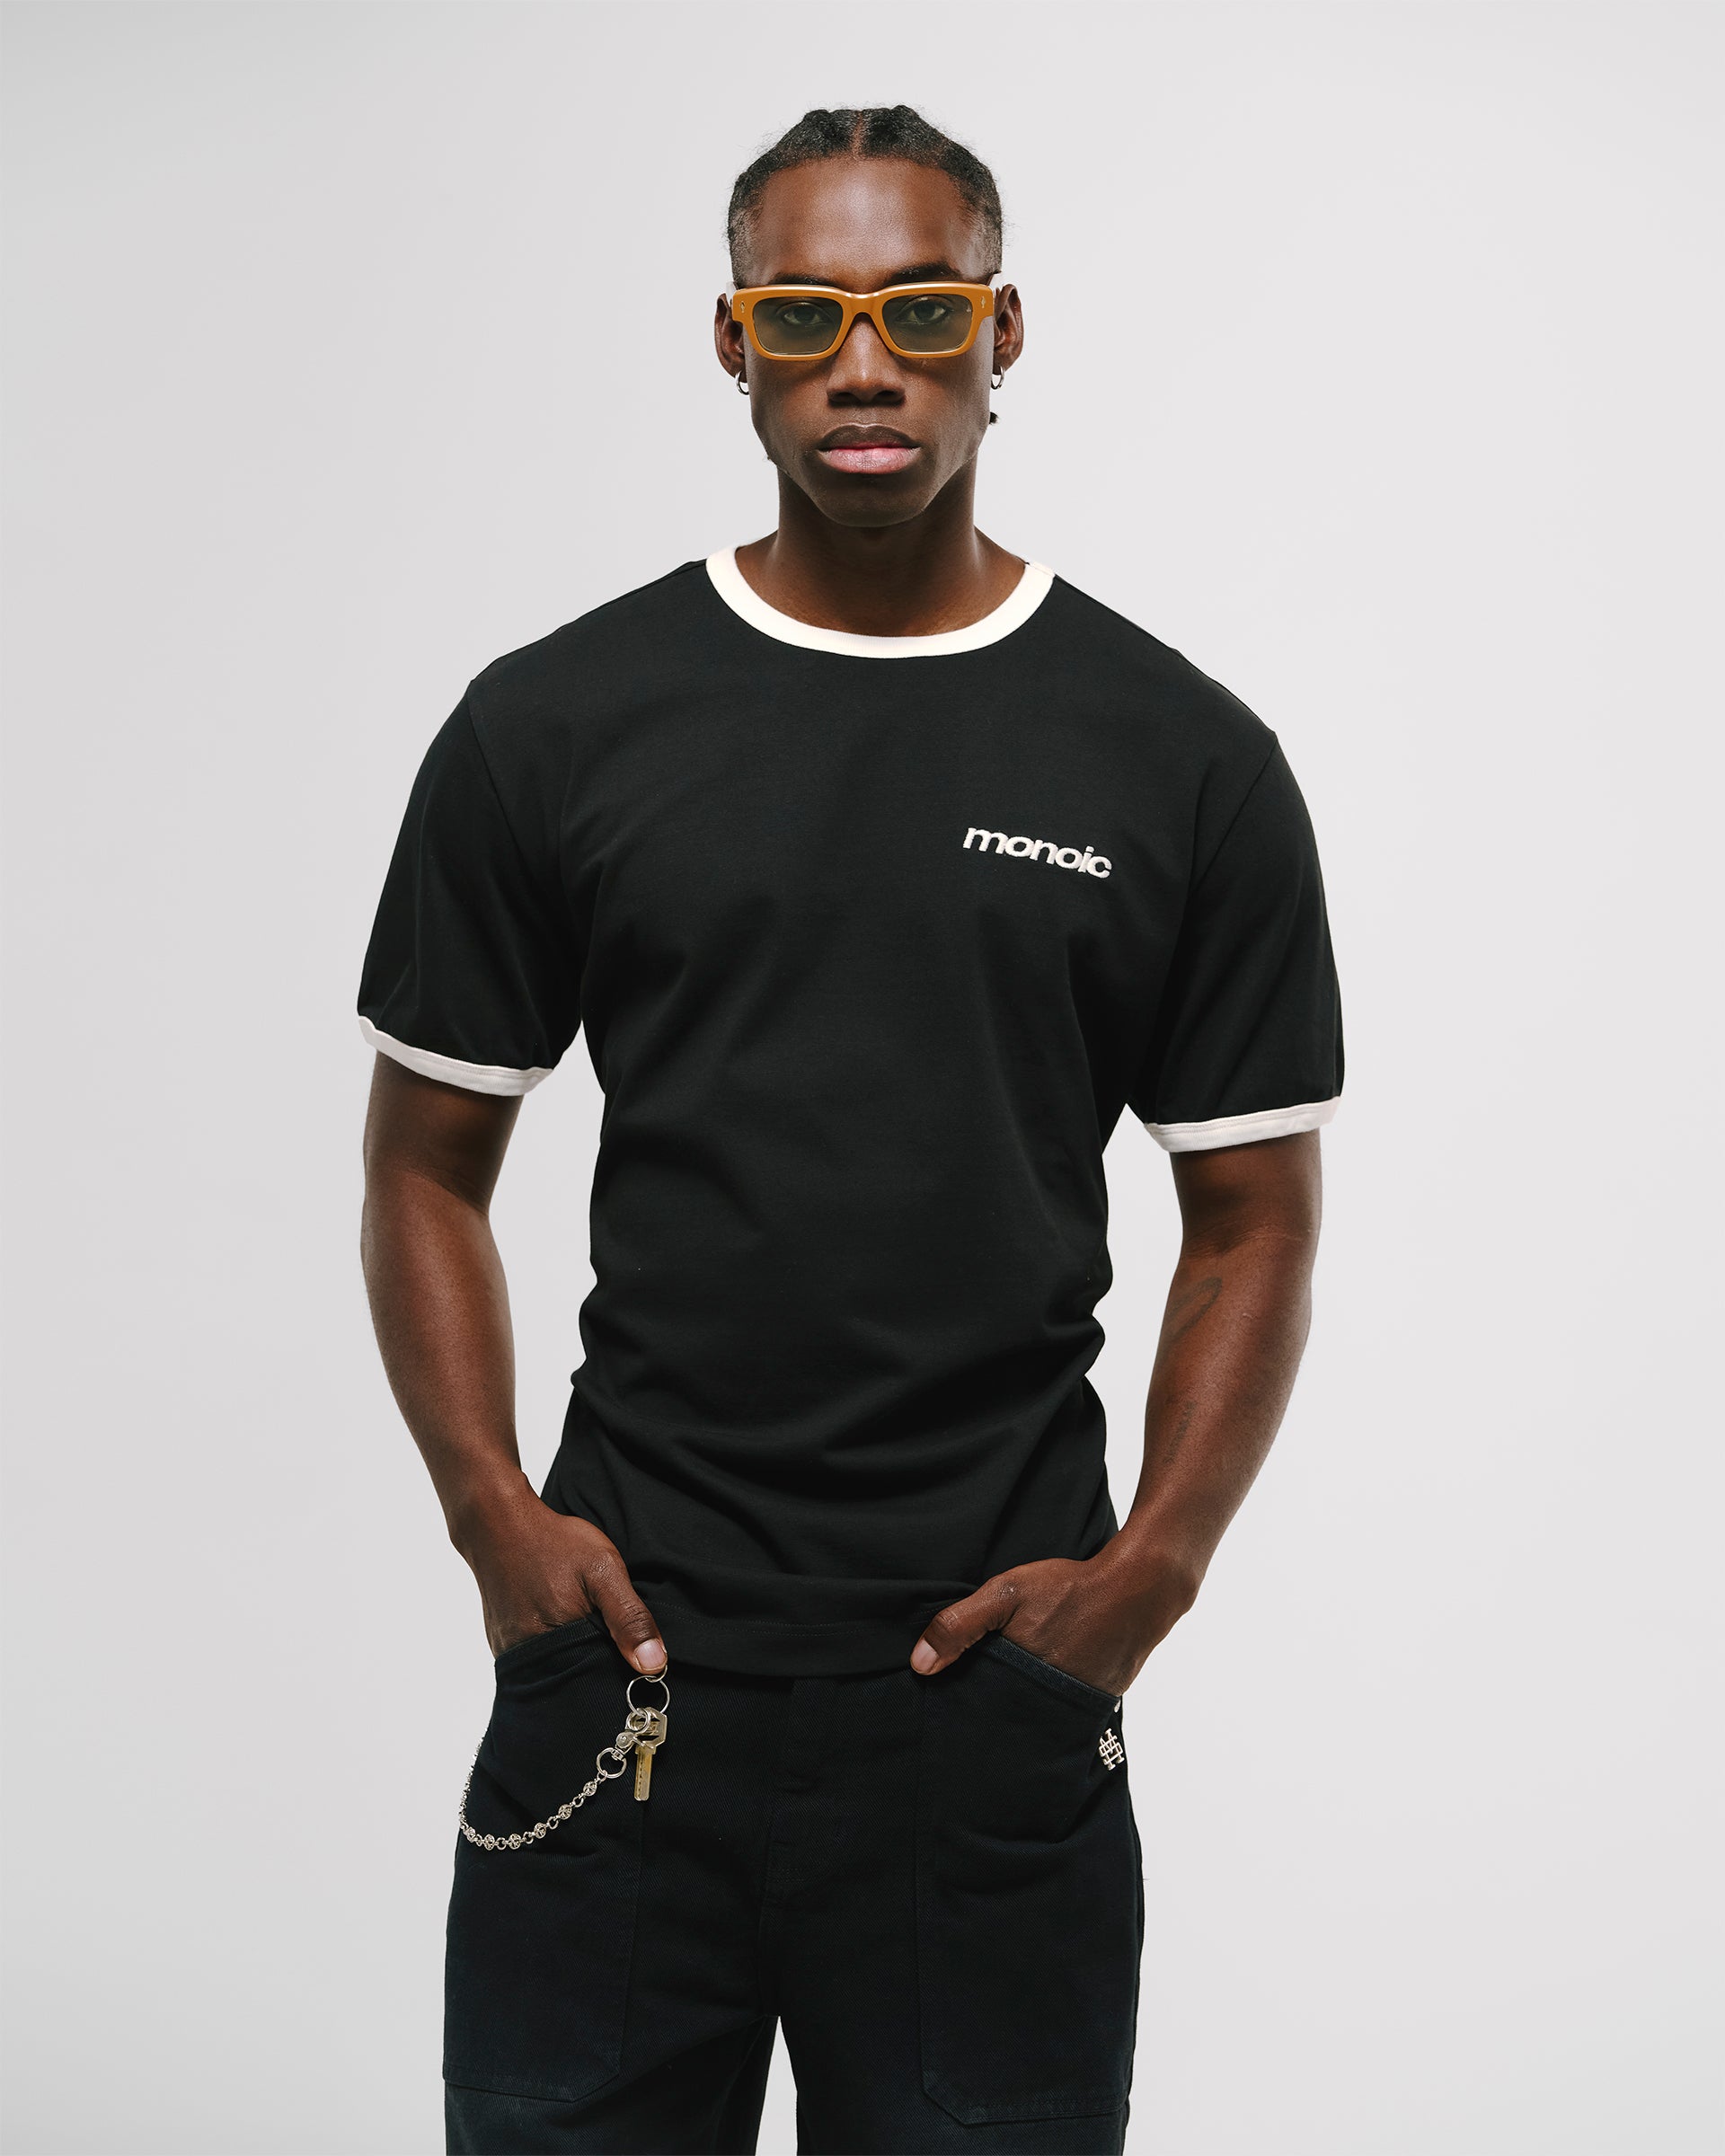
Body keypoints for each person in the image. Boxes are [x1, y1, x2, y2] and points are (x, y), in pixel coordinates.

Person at [358, 103, 1342, 2156]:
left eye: (923, 312)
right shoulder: (557, 724)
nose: (867, 365)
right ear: (735, 342)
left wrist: (1148, 1577)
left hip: (991, 1710)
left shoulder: (1180, 757)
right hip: (623, 1684)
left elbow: (1253, 1214)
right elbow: (423, 1166)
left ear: (1004, 332)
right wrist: (488, 1517)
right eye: (806, 315)